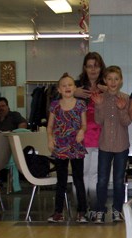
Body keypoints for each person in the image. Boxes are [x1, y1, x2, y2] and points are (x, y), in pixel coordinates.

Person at [91, 66, 132, 223]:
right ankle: (100, 210)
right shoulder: (100, 98)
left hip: (121, 145)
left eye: (116, 79)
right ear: (105, 81)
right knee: (102, 179)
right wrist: (99, 105)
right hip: (105, 145)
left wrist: (122, 109)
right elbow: (98, 121)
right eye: (109, 79)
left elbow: (126, 121)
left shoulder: (126, 98)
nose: (113, 82)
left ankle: (117, 210)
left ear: (121, 81)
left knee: (118, 180)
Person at [47, 73, 89, 223]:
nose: (67, 87)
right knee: (61, 181)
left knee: (79, 180)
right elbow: (50, 126)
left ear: (75, 87)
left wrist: (82, 131)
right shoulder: (55, 105)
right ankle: (58, 212)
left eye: (70, 85)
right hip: (60, 146)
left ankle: (82, 211)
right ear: (59, 89)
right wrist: (50, 139)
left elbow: (84, 124)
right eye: (64, 85)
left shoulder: (80, 104)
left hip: (76, 146)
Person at [75, 52, 106, 219]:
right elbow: (58, 100)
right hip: (81, 138)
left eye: (96, 65)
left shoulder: (106, 86)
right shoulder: (76, 87)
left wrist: (107, 91)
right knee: (82, 174)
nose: (93, 69)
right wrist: (73, 93)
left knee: (95, 175)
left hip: (101, 138)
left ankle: (94, 207)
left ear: (101, 67)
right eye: (89, 66)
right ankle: (81, 209)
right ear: (85, 68)